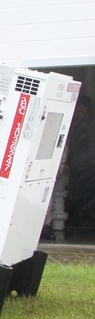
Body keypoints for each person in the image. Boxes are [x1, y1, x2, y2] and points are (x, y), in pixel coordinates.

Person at [66, 95, 95, 228]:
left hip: (87, 166)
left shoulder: (87, 124)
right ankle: (85, 221)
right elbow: (69, 144)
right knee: (82, 195)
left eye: (81, 107)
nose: (79, 110)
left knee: (85, 195)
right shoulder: (77, 124)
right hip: (80, 166)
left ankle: (86, 221)